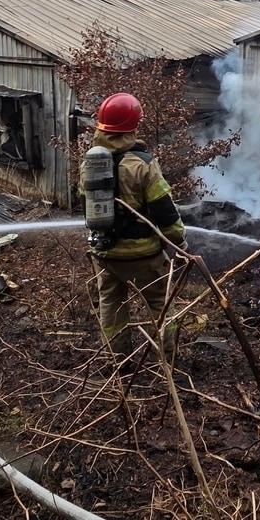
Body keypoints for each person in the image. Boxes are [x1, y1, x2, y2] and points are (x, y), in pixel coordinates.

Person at [86, 93, 187, 361]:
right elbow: (164, 209)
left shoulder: (91, 162)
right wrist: (179, 240)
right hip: (143, 254)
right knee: (161, 305)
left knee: (111, 306)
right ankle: (169, 361)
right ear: (134, 126)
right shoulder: (142, 164)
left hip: (104, 252)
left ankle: (118, 362)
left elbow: (85, 201)